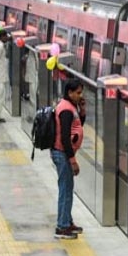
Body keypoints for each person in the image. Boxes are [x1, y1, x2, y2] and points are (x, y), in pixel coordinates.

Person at [51, 79, 85, 239]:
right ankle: (62, 227)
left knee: (68, 189)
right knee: (65, 190)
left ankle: (67, 221)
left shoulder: (70, 106)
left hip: (64, 154)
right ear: (69, 92)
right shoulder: (65, 109)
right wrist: (72, 161)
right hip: (63, 154)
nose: (80, 95)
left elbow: (77, 125)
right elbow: (65, 137)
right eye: (77, 92)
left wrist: (82, 110)